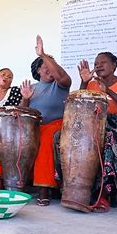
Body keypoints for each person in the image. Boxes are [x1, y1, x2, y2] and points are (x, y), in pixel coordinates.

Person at [78, 52, 117, 212]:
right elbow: (80, 105)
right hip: (95, 125)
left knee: (109, 138)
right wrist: (84, 83)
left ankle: (104, 194)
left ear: (114, 65)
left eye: (103, 62)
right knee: (67, 138)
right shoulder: (91, 85)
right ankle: (76, 190)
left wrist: (108, 92)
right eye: (96, 63)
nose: (98, 65)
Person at [19, 35, 71, 206]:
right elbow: (21, 112)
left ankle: (44, 188)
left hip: (55, 125)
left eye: (51, 65)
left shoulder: (61, 84)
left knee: (47, 137)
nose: (49, 69)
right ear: (38, 71)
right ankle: (11, 185)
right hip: (34, 126)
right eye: (44, 66)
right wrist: (26, 99)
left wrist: (43, 55)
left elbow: (61, 75)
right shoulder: (31, 88)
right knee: (15, 138)